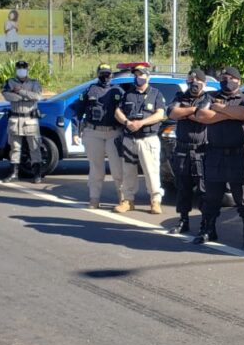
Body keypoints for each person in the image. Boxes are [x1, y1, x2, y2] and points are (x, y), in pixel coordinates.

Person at [189, 66, 244, 245]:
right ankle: (208, 229)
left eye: (230, 77)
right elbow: (202, 115)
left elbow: (243, 114)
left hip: (239, 155)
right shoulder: (209, 96)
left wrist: (219, 109)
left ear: (238, 80)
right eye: (223, 77)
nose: (226, 80)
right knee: (211, 197)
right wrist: (228, 113)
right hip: (215, 154)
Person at [112, 66, 166, 214]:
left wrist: (141, 123)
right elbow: (118, 111)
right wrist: (126, 122)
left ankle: (155, 201)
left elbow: (160, 114)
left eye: (141, 75)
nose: (138, 77)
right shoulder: (128, 94)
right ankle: (128, 201)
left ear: (148, 77)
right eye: (136, 75)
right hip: (130, 139)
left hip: (148, 139)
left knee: (151, 171)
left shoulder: (156, 94)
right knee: (128, 172)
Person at [70, 63, 124, 209]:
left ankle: (123, 199)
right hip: (93, 132)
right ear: (98, 74)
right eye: (102, 74)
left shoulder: (118, 91)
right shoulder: (90, 90)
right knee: (96, 169)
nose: (105, 77)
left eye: (108, 74)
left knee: (117, 168)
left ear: (111, 75)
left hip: (114, 132)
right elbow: (77, 112)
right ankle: (94, 199)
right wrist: (75, 132)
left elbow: (127, 112)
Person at [166, 69, 211, 234]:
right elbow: (171, 112)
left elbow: (204, 116)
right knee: (182, 187)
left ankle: (205, 224)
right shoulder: (180, 97)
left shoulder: (209, 97)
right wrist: (193, 110)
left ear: (203, 83)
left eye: (197, 81)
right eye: (190, 81)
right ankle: (183, 220)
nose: (193, 84)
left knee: (203, 189)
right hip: (182, 149)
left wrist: (185, 112)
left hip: (202, 150)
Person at [2, 60, 44, 183]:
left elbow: (37, 96)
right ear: (16, 69)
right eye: (19, 68)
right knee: (15, 148)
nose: (21, 70)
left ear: (27, 69)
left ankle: (37, 174)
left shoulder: (34, 83)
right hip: (15, 119)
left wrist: (20, 91)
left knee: (34, 148)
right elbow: (6, 95)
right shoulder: (9, 82)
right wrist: (24, 97)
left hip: (30, 120)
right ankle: (14, 174)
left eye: (23, 68)